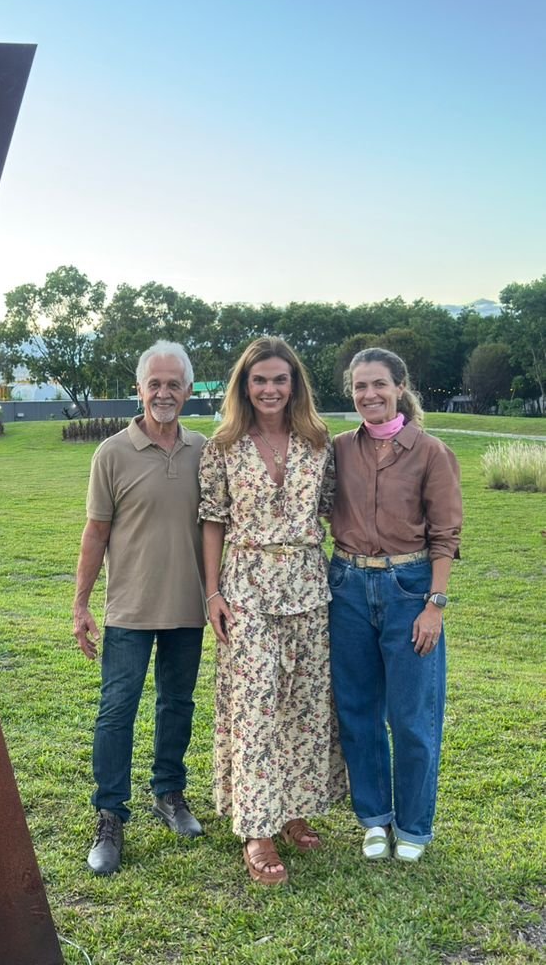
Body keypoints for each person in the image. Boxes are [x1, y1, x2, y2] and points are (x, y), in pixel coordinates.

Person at [199, 337, 345, 885]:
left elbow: (332, 509)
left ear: (294, 385)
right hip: (248, 588)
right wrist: (213, 593)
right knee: (256, 703)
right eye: (259, 379)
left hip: (310, 586)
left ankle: (294, 813)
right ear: (244, 385)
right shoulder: (225, 445)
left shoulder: (317, 441)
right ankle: (257, 827)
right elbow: (212, 519)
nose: (269, 389)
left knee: (306, 703)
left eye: (279, 379)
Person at [73, 341, 207, 876]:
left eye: (174, 383)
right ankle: (110, 815)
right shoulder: (112, 453)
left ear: (189, 391)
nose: (164, 392)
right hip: (127, 610)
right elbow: (95, 531)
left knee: (177, 704)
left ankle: (168, 793)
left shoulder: (206, 451)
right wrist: (80, 603)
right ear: (139, 389)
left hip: (189, 609)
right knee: (116, 712)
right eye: (155, 383)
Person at [329, 347, 461, 862]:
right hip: (347, 588)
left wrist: (435, 605)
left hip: (410, 589)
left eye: (379, 384)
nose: (370, 395)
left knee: (412, 716)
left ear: (400, 388)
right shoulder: (339, 448)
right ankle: (375, 820)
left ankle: (413, 825)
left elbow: (446, 536)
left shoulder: (430, 452)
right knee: (359, 712)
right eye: (360, 387)